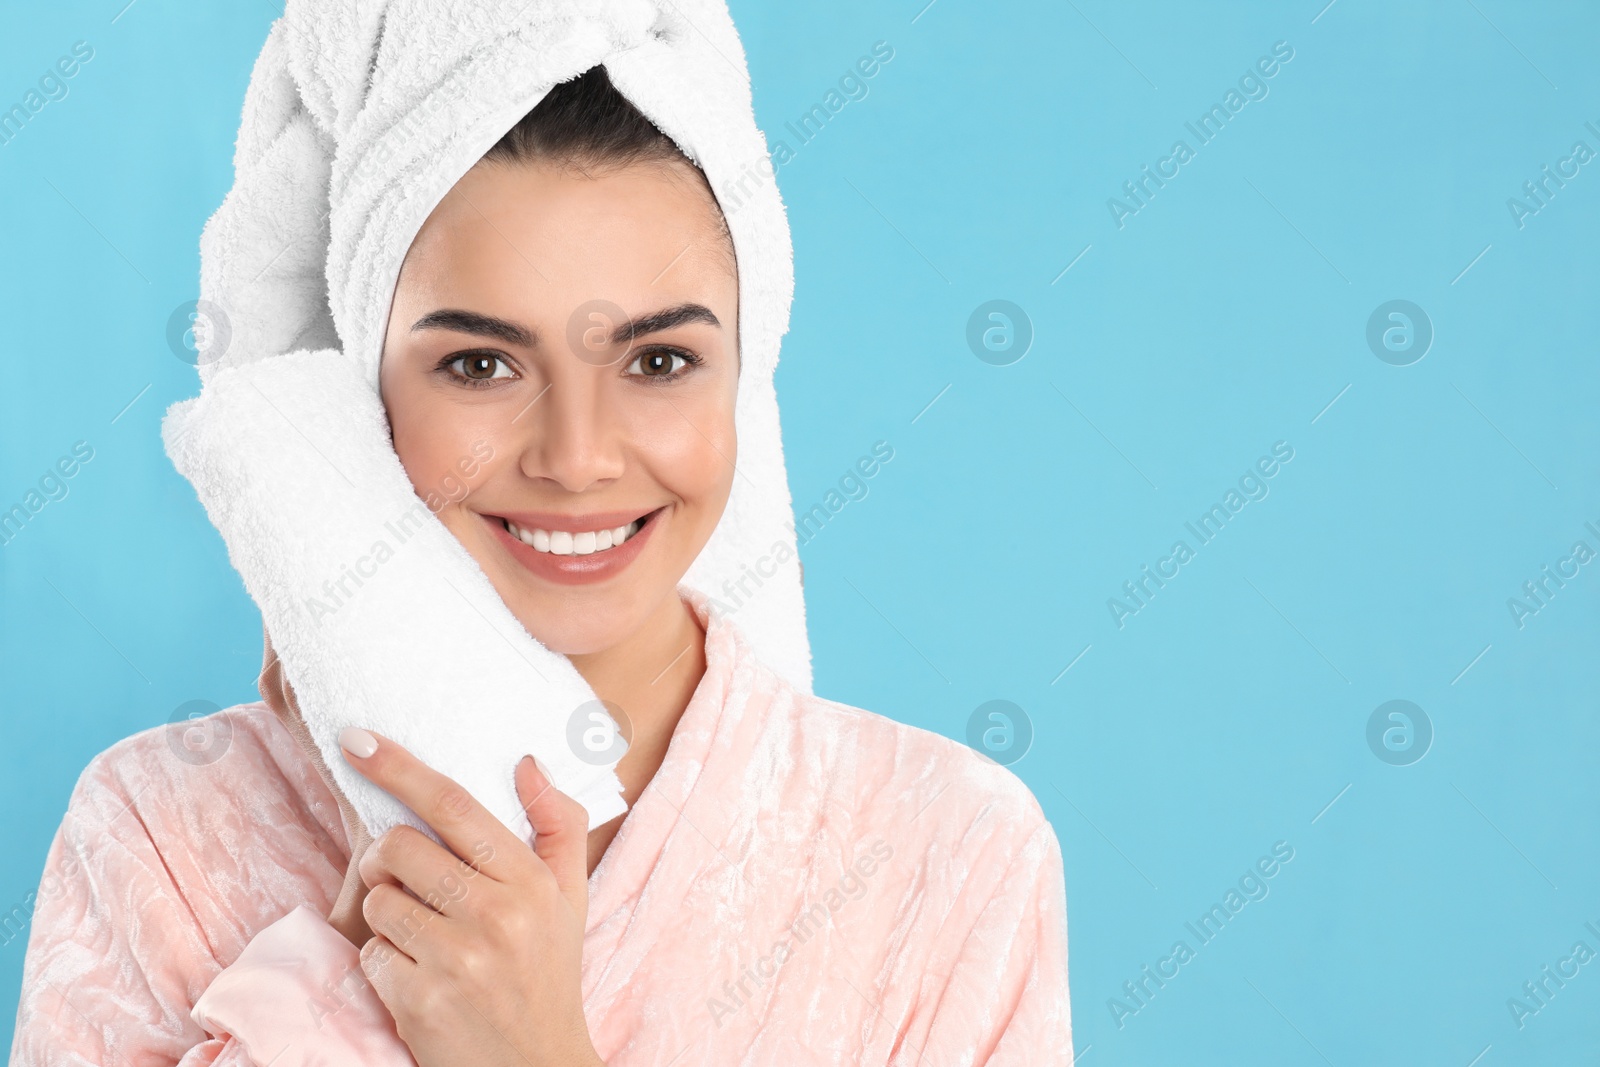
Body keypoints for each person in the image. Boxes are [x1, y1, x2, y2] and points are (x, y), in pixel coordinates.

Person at [9, 26, 1071, 1067]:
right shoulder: (164, 832)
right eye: (479, 365)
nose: (577, 457)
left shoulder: (950, 851)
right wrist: (340, 982)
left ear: (744, 378)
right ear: (359, 395)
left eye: (657, 360)